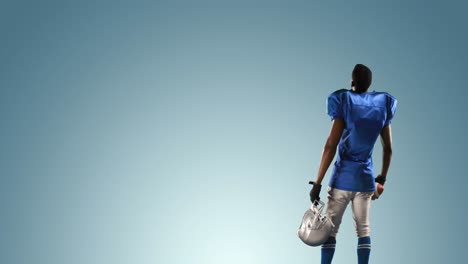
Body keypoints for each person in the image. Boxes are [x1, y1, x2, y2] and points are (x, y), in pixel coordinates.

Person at [309, 64, 397, 264]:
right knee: (363, 230)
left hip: (341, 178)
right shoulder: (383, 104)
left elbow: (330, 145)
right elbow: (388, 149)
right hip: (365, 180)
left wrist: (317, 183)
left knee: (330, 231)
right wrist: (381, 179)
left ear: (352, 81)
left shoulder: (344, 101)